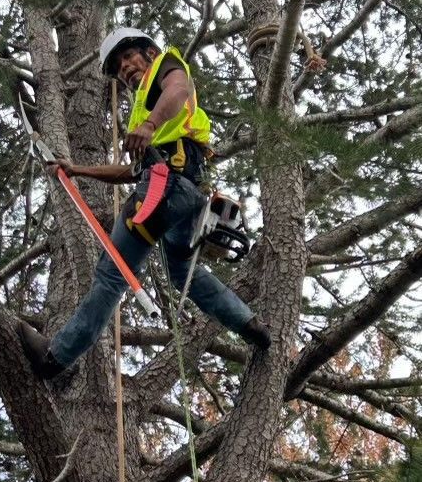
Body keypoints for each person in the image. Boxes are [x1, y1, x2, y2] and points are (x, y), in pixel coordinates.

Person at [18, 28, 270, 378]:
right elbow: (132, 172)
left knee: (111, 275)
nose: (125, 69)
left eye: (128, 57)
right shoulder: (146, 112)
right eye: (119, 67)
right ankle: (250, 325)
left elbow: (179, 90)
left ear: (149, 52)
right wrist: (77, 170)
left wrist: (150, 124)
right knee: (182, 272)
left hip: (166, 188)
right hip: (187, 195)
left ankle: (56, 358)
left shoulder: (165, 68)